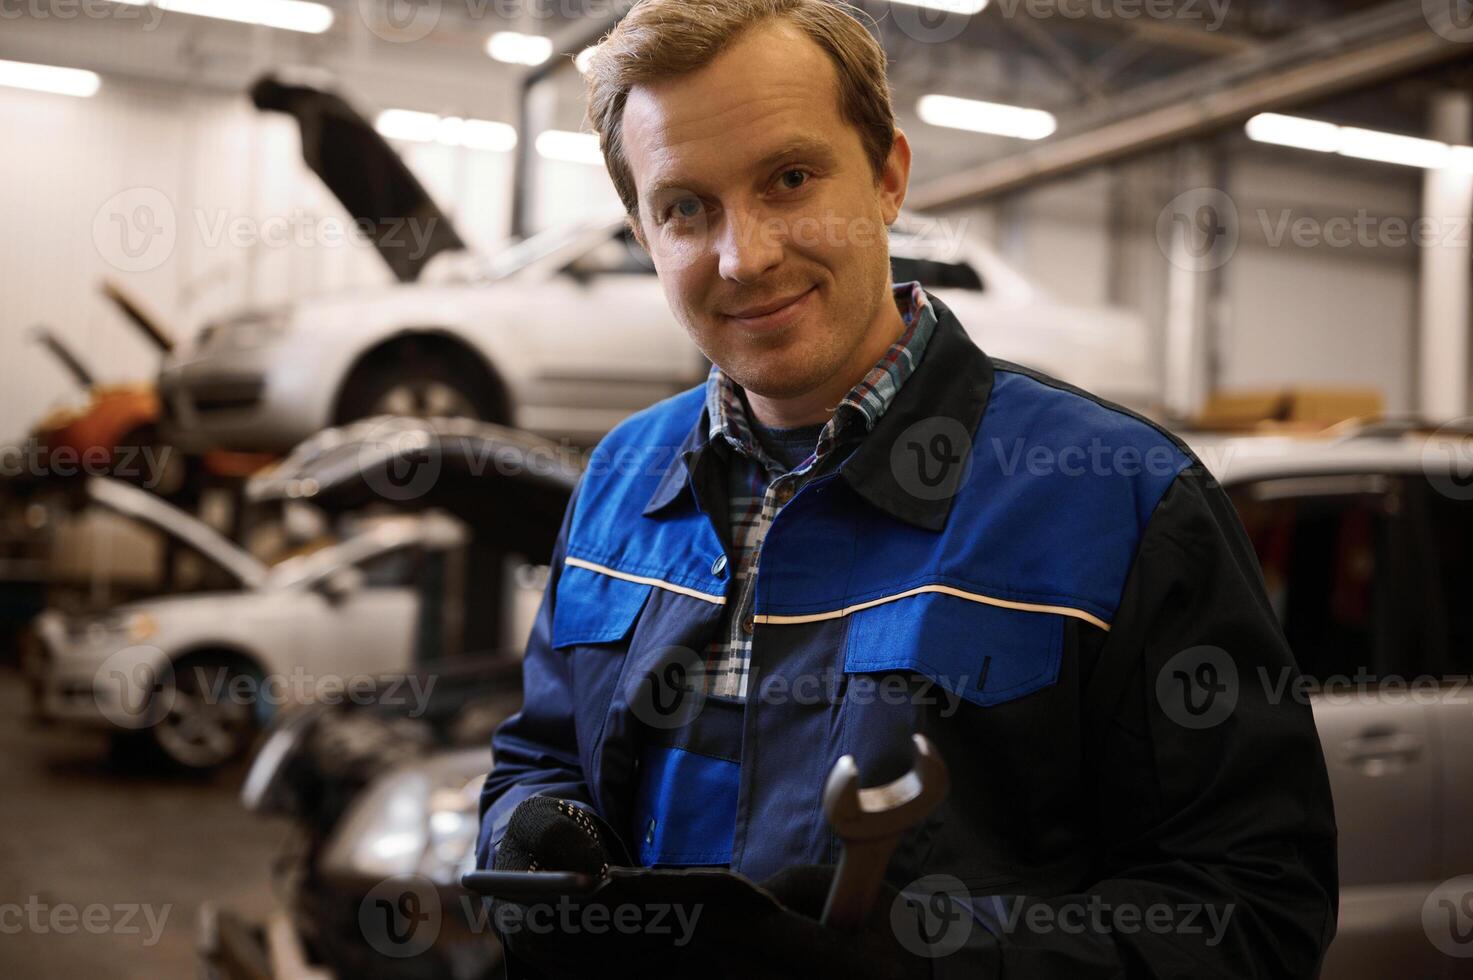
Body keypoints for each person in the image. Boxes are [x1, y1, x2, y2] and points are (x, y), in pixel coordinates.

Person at [477, 1, 1338, 976]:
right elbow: (540, 750)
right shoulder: (618, 479)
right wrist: (524, 828)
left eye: (791, 179)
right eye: (686, 207)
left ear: (889, 178)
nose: (743, 255)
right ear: (643, 230)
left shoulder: (1124, 501)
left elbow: (1254, 909)